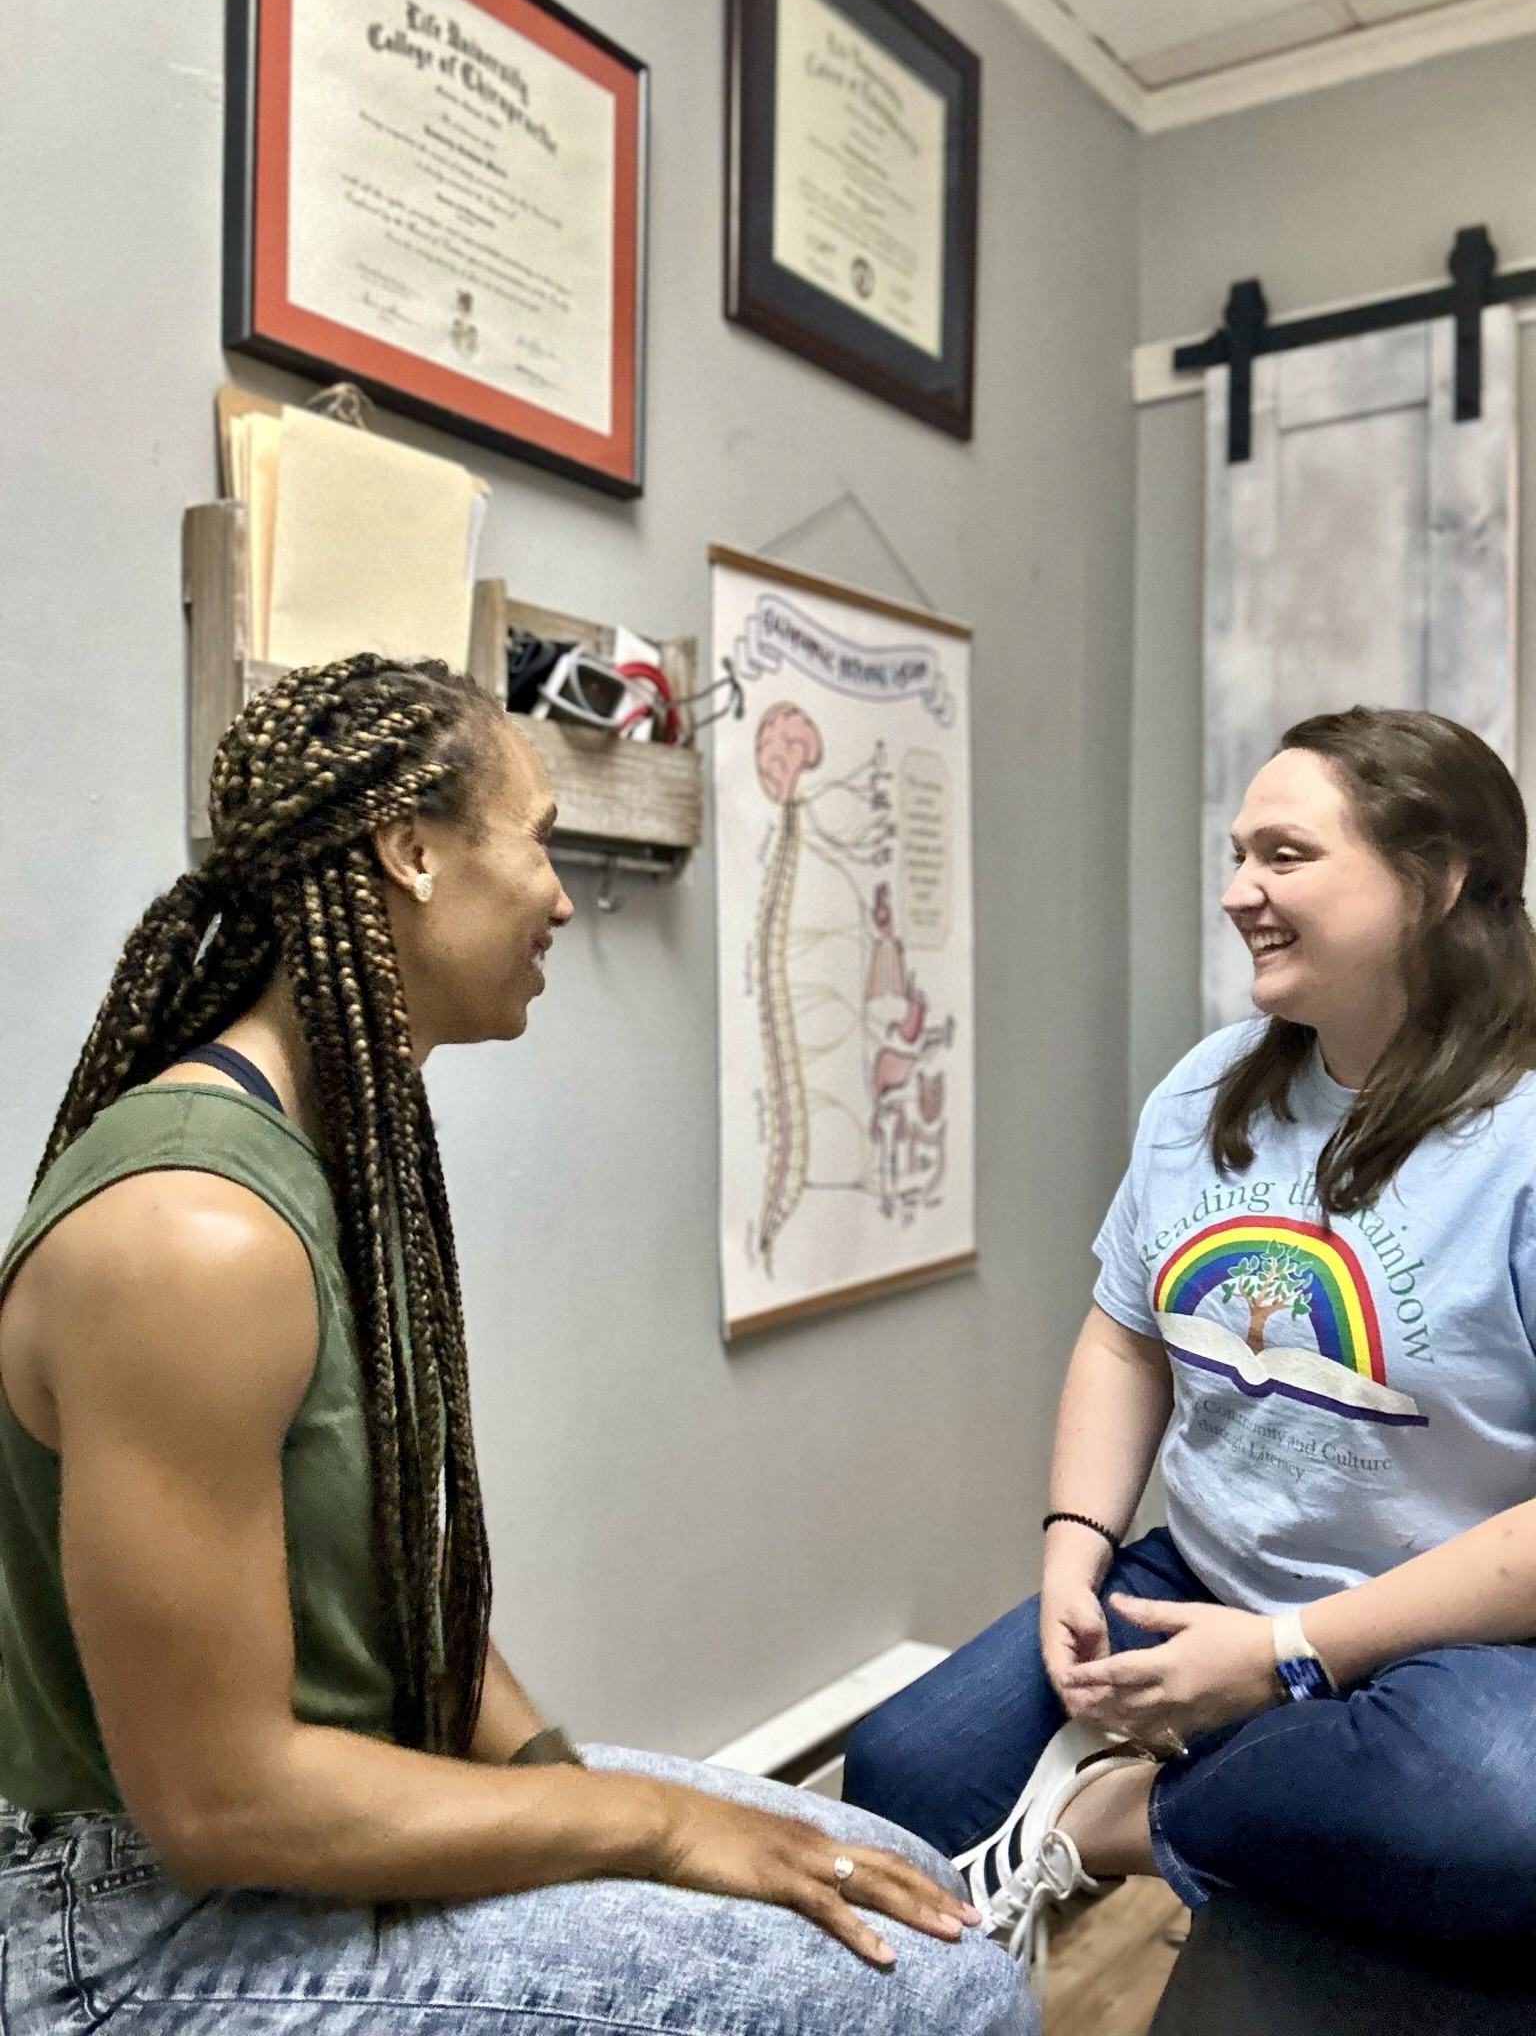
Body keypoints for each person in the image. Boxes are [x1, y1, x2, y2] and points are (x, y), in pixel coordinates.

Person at [0, 656, 1030, 2035]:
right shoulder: (196, 1238)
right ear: (413, 852)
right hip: (124, 1929)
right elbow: (216, 1801)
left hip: (290, 1828)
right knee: (944, 1994)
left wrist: (563, 1782)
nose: (557, 894)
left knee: (903, 1880)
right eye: (537, 837)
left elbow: (394, 1581)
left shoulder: (334, 1158)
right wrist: (642, 1829)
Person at [843, 706, 1536, 1986]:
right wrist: (1075, 1546)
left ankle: (1111, 1819)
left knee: (1499, 1812)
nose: (1238, 893)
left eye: (1285, 855)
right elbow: (1126, 1337)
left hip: (1451, 1633)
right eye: (1236, 854)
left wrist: (1282, 1657)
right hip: (1201, 1575)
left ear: (1436, 882)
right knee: (900, 1770)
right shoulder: (1209, 1085)